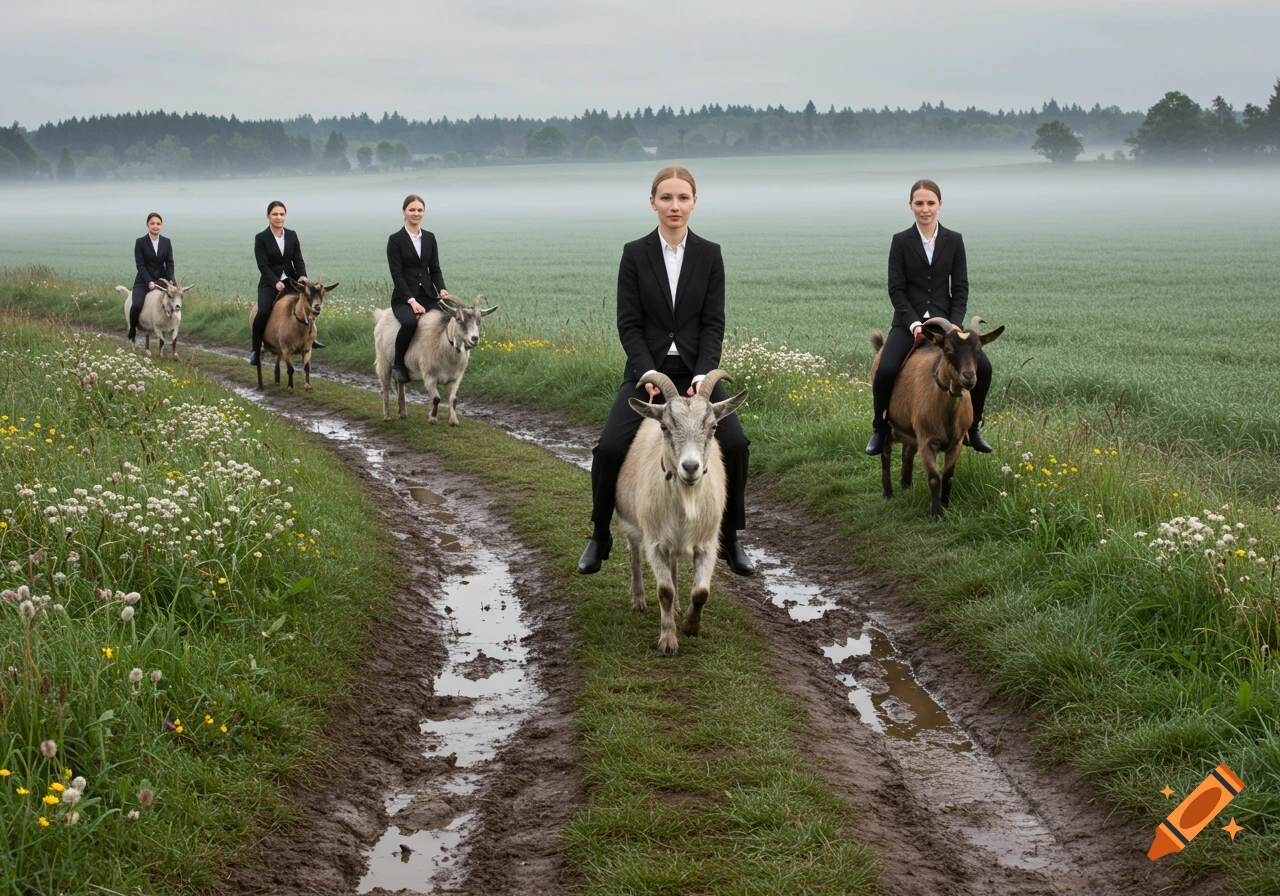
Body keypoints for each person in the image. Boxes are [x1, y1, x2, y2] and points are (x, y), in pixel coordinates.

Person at [578, 166, 754, 577]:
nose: (675, 206)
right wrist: (647, 372)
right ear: (653, 202)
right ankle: (599, 532)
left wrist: (703, 373)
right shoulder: (634, 253)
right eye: (666, 198)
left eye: (683, 198)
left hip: (696, 379)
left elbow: (713, 322)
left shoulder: (710, 254)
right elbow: (629, 323)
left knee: (738, 444)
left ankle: (730, 536)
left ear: (694, 202)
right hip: (647, 374)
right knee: (607, 449)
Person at [866, 178, 993, 456]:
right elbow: (896, 289)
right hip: (907, 324)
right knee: (886, 369)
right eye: (919, 203)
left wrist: (956, 324)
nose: (925, 209)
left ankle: (973, 429)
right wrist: (912, 323)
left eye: (930, 203)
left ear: (940, 205)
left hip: (947, 326)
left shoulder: (955, 240)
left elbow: (960, 288)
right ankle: (880, 429)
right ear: (910, 206)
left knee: (984, 369)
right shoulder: (900, 241)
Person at [386, 193, 452, 383]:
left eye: (420, 210)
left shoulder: (430, 238)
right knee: (410, 324)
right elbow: (397, 275)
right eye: (412, 210)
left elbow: (435, 269)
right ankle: (398, 365)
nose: (416, 213)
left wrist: (442, 290)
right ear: (404, 212)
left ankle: (442, 364)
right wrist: (412, 302)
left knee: (447, 321)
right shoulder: (395, 240)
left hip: (428, 295)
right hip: (404, 297)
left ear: (424, 212)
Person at [249, 201, 320, 366]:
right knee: (263, 311)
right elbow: (263, 265)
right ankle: (255, 349)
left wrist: (302, 276)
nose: (278, 217)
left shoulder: (292, 235)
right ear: (268, 216)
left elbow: (298, 259)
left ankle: (311, 340)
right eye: (275, 214)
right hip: (269, 283)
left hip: (292, 282)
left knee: (308, 306)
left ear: (285, 216)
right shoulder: (261, 238)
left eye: (281, 214)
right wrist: (275, 282)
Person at [127, 213, 174, 345]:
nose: (155, 226)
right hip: (143, 280)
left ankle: (170, 329)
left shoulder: (166, 241)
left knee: (173, 301)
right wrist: (149, 281)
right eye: (152, 223)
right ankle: (132, 329)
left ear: (162, 226)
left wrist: (171, 279)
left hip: (161, 279)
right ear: (147, 225)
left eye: (158, 224)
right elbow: (140, 266)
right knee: (136, 304)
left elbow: (169, 263)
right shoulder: (140, 242)